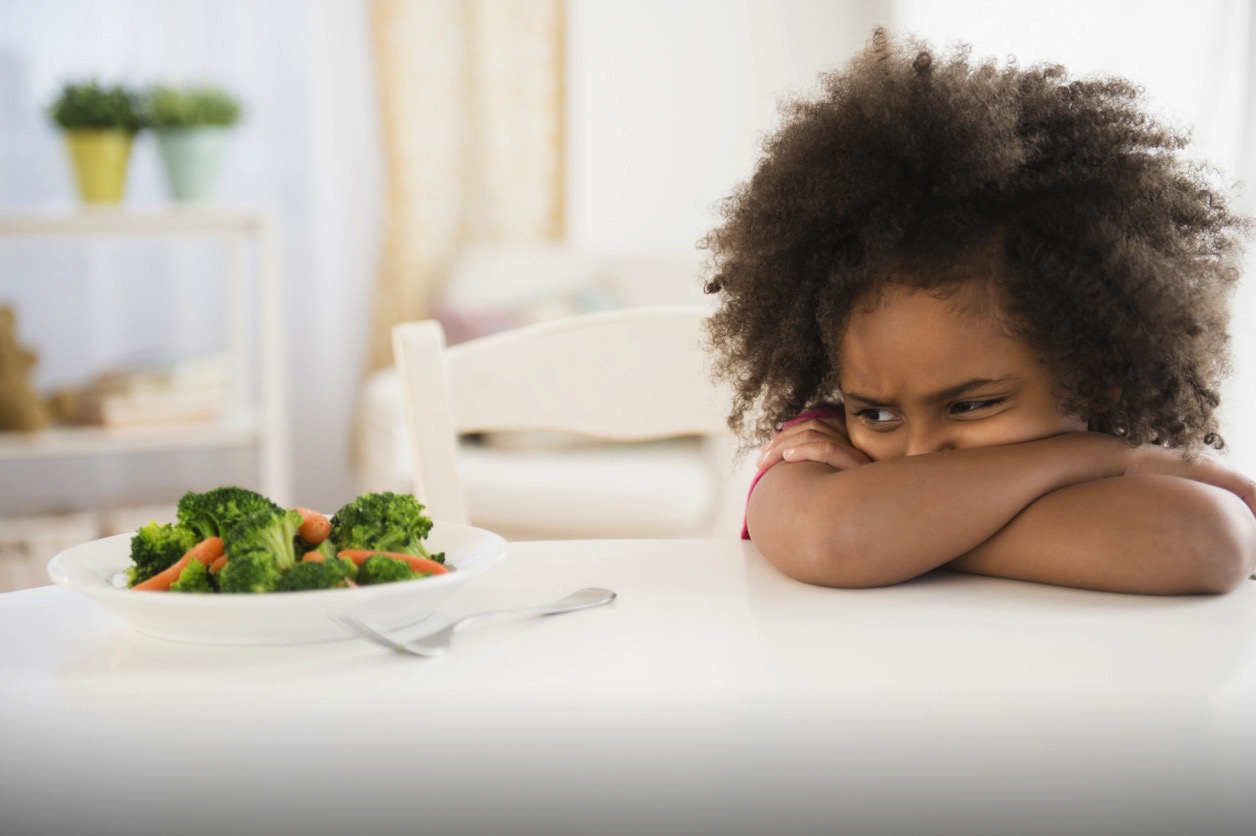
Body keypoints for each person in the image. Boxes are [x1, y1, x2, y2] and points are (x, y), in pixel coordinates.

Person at [702, 30, 1256, 595]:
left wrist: (898, 531)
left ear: (1098, 378)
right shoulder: (817, 445)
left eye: (969, 406)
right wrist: (1100, 457)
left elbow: (1203, 541)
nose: (919, 452)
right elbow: (833, 538)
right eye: (877, 414)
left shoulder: (860, 477)